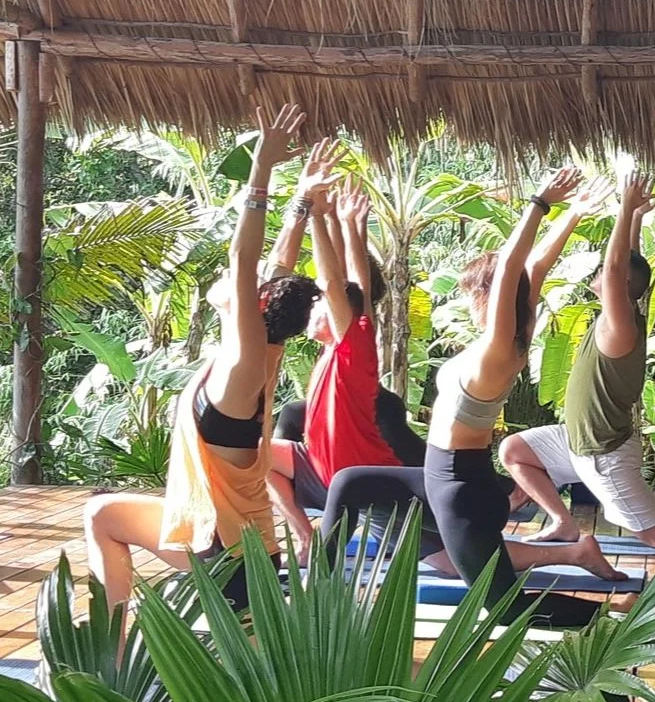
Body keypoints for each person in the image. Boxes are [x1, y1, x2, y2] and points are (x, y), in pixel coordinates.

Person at [80, 104, 314, 611]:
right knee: (103, 515)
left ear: (256, 306)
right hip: (216, 540)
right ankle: (112, 651)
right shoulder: (259, 349)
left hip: (232, 562)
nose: (237, 282)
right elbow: (274, 269)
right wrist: (302, 201)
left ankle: (123, 649)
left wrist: (263, 170)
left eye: (250, 289)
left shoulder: (244, 365)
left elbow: (244, 258)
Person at [423, 166, 624, 603]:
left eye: (471, 295)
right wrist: (574, 215)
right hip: (452, 478)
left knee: (501, 606)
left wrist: (540, 203)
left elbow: (517, 264)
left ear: (488, 296)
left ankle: (614, 615)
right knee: (357, 481)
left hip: (459, 486)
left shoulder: (498, 347)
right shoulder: (512, 336)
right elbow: (537, 266)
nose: (468, 304)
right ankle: (582, 563)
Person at [500, 171, 655, 549]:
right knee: (514, 450)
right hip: (576, 443)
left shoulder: (621, 326)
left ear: (620, 287)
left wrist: (626, 206)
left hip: (603, 455)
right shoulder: (621, 315)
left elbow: (617, 269)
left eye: (605, 274)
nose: (599, 273)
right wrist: (633, 220)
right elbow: (625, 266)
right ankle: (562, 522)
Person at [268, 183, 404, 561]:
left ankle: (573, 554)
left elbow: (336, 285)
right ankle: (305, 536)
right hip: (321, 470)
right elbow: (355, 282)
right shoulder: (335, 346)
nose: (313, 311)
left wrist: (315, 214)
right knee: (253, 452)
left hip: (366, 481)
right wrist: (343, 222)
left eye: (321, 307)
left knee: (445, 561)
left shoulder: (353, 348)